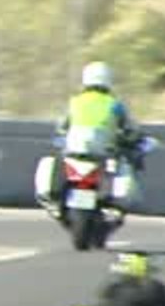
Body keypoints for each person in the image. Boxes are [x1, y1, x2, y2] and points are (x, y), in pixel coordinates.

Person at [41, 62, 145, 210]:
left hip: (74, 152)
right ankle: (113, 203)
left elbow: (61, 126)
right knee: (121, 164)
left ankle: (55, 197)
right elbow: (131, 128)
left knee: (57, 160)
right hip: (102, 154)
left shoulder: (75, 102)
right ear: (108, 81)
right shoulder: (114, 104)